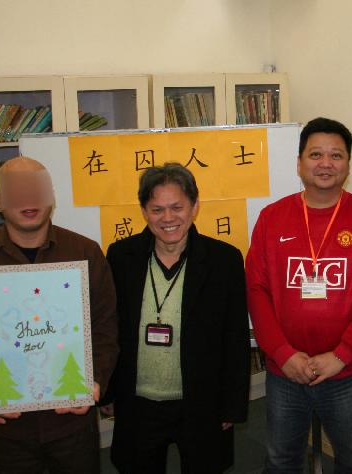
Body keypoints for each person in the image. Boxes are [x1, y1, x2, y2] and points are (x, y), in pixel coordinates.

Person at [0, 156, 118, 473]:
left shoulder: (86, 253)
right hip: (8, 428)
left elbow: (106, 327)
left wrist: (95, 382)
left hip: (72, 424)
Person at [246, 117, 352, 473]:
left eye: (336, 155)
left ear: (347, 164)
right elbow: (257, 289)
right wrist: (283, 354)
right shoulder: (272, 217)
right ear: (299, 163)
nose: (325, 163)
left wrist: (343, 355)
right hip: (285, 371)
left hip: (347, 372)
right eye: (315, 154)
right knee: (281, 460)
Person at [104, 162, 250, 473]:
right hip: (137, 402)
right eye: (157, 209)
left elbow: (234, 336)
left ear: (195, 207)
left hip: (201, 401)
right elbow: (109, 329)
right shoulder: (120, 257)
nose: (168, 218)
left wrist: (232, 404)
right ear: (144, 211)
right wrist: (108, 388)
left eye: (176, 207)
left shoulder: (223, 260)